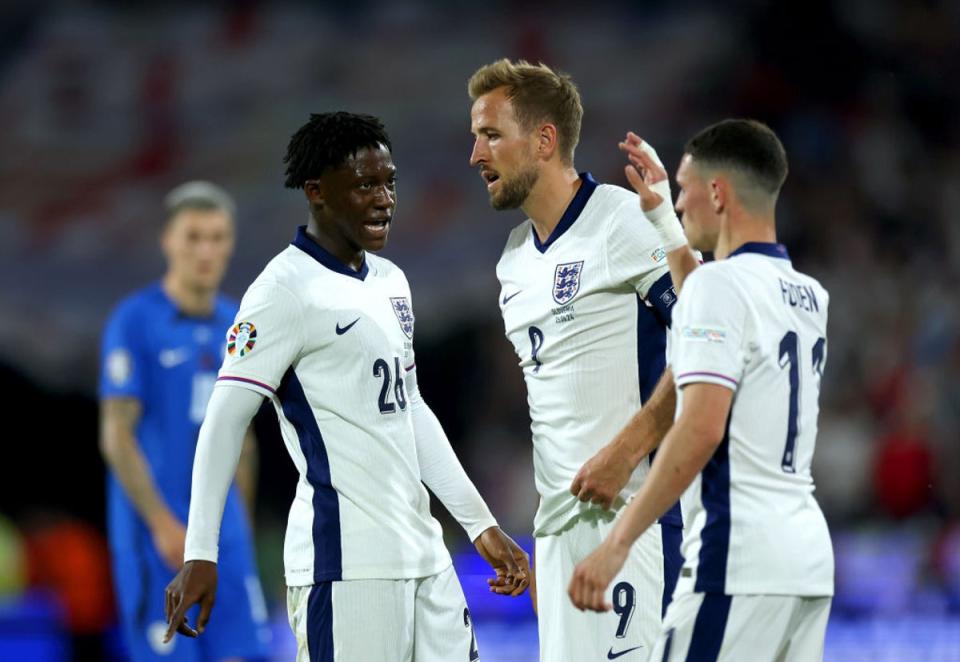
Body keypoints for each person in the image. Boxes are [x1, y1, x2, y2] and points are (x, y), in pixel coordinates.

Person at [163, 112, 530, 661]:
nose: (384, 199)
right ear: (317, 192)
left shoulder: (390, 282)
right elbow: (223, 421)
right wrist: (201, 551)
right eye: (364, 185)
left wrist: (480, 524)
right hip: (346, 567)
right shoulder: (281, 292)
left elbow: (410, 411)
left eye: (389, 183)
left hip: (426, 556)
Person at [568, 119, 834, 661]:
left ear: (717, 192)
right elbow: (708, 305)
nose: (680, 203)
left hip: (737, 556)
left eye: (685, 190)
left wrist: (619, 542)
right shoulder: (808, 295)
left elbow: (701, 427)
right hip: (806, 559)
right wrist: (664, 217)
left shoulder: (721, 287)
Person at [467, 59, 698, 660]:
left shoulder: (623, 220)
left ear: (544, 140)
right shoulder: (512, 262)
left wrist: (628, 449)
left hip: (638, 524)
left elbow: (713, 339)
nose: (475, 155)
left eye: (491, 134)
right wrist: (548, 538)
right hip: (560, 541)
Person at [99, 181, 271, 661]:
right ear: (168, 241)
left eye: (217, 237)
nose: (205, 250)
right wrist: (161, 523)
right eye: (193, 236)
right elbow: (117, 436)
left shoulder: (239, 323)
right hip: (160, 539)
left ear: (231, 243)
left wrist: (239, 526)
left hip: (225, 543)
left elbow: (246, 438)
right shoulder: (135, 322)